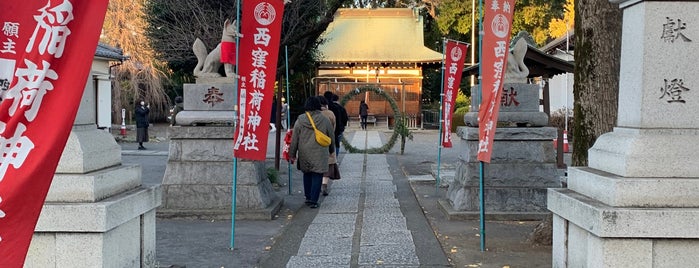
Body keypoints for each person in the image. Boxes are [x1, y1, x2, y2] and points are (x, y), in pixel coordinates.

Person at [288, 96, 335, 209]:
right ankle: (314, 200)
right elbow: (331, 136)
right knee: (317, 174)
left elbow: (295, 138)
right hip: (320, 152)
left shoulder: (300, 119)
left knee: (307, 173)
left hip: (304, 152)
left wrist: (292, 154)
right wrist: (331, 149)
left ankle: (308, 197)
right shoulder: (324, 119)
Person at [318, 96, 339, 196]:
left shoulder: (311, 114)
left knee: (316, 165)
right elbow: (333, 127)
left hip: (314, 143)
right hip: (327, 140)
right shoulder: (330, 113)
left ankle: (316, 186)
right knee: (328, 164)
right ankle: (324, 185)